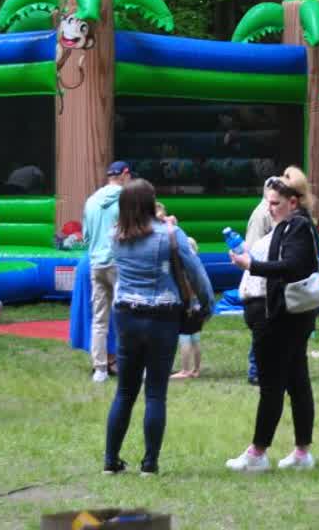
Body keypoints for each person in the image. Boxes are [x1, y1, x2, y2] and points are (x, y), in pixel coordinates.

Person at [103, 179, 213, 476]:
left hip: (126, 314)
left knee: (125, 391)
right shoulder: (169, 235)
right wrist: (207, 306)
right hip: (163, 316)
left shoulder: (116, 235)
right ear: (151, 203)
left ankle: (110, 460)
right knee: (155, 393)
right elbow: (196, 273)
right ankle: (149, 463)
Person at [226, 174, 319, 473]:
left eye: (275, 203)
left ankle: (258, 453)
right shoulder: (288, 226)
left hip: (281, 319)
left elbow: (291, 267)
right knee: (295, 382)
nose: (270, 208)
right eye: (268, 202)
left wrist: (251, 265)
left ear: (293, 202)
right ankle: (301, 452)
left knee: (273, 386)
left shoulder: (298, 227)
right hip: (284, 317)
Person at [241, 165, 305, 386]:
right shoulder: (262, 215)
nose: (272, 208)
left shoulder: (295, 223)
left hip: (273, 286)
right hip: (263, 286)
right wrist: (252, 264)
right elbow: (255, 249)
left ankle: (265, 371)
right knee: (262, 333)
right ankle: (256, 371)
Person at [85, 160, 131, 383]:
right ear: (125, 174)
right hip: (119, 263)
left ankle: (100, 369)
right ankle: (129, 365)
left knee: (99, 319)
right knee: (127, 316)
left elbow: (86, 236)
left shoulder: (91, 200)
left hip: (96, 264)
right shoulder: (126, 199)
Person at [171, 235, 205, 380]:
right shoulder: (198, 265)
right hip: (198, 306)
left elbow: (187, 290)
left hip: (188, 307)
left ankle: (185, 370)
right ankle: (196, 369)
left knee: (184, 338)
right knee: (195, 338)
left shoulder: (185, 269)